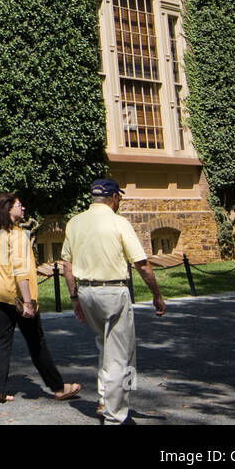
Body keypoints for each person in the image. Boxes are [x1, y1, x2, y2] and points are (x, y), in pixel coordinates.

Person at [61, 178, 167, 425]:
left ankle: (104, 399)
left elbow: (67, 263)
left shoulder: (74, 222)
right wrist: (157, 295)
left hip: (86, 291)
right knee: (122, 354)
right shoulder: (119, 222)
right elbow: (141, 263)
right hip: (112, 292)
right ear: (114, 197)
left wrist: (74, 297)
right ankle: (115, 415)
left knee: (105, 346)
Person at [0, 192, 82, 404]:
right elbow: (19, 271)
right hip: (16, 296)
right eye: (19, 205)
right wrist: (27, 301)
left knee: (1, 340)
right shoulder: (16, 235)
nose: (23, 208)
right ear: (9, 209)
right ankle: (58, 387)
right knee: (37, 342)